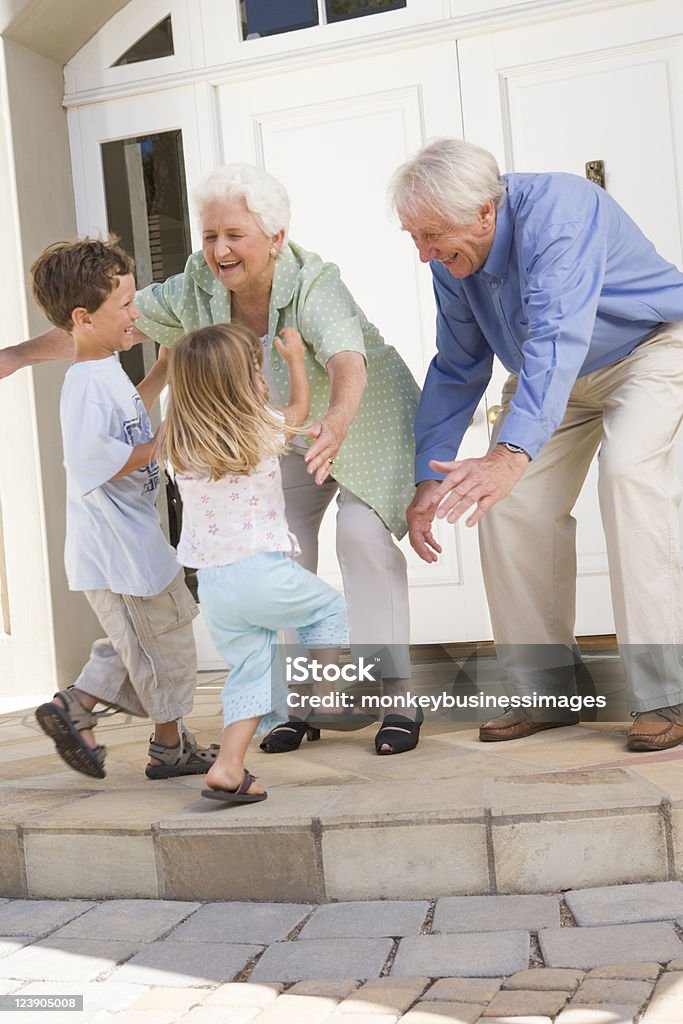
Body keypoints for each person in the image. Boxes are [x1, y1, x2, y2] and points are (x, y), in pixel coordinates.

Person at [2, 163, 422, 755]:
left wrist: (338, 421)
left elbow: (348, 358)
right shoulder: (198, 286)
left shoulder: (315, 282)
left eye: (235, 236)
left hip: (363, 420)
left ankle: (396, 699)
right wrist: (17, 355)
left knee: (361, 536)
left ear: (275, 239)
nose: (219, 250)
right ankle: (299, 704)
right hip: (281, 434)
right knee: (277, 549)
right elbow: (100, 321)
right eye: (210, 236)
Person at [390, 137, 683, 751]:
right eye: (414, 237)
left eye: (432, 235)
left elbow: (557, 333)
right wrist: (428, 479)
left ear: (485, 213)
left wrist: (507, 454)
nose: (424, 255)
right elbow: (457, 365)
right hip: (552, 378)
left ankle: (666, 692)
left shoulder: (561, 212)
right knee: (508, 505)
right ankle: (545, 688)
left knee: (628, 475)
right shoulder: (453, 260)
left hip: (648, 350)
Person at [30, 238, 219, 780]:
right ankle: (167, 747)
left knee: (156, 636)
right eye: (126, 306)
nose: (137, 314)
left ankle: (79, 705)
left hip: (136, 542)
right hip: (118, 553)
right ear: (84, 318)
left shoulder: (107, 370)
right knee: (161, 646)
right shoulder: (85, 384)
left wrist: (160, 373)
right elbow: (95, 458)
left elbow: (123, 421)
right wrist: (168, 438)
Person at [161, 322, 348, 803]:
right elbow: (300, 411)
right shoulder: (258, 425)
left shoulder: (178, 444)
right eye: (255, 367)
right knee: (329, 611)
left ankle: (228, 767)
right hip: (259, 570)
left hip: (215, 586)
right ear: (242, 379)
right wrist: (295, 364)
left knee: (250, 672)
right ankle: (324, 696)